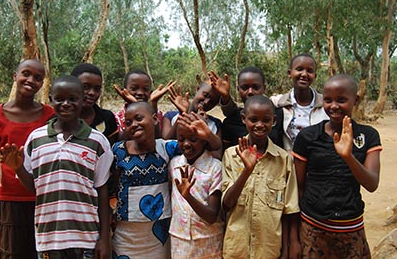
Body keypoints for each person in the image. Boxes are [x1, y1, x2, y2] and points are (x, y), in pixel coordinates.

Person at [0, 75, 113, 259]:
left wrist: (104, 238)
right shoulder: (36, 139)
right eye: (59, 99)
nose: (66, 104)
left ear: (83, 100)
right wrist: (18, 168)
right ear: (50, 99)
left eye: (73, 99)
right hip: (48, 237)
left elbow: (102, 190)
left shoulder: (98, 141)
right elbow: (35, 188)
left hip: (86, 238)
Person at [110, 102, 221, 259]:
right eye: (128, 123)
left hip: (159, 234)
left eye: (139, 118)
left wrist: (207, 134)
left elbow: (212, 146)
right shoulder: (118, 151)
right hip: (126, 235)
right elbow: (111, 186)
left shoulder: (167, 148)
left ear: (155, 119)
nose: (134, 125)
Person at [293, 74, 382, 258]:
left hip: (350, 227)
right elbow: (298, 188)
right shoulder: (308, 137)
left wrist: (348, 156)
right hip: (313, 228)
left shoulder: (368, 136)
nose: (333, 106)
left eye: (341, 100)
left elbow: (372, 184)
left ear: (355, 100)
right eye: (328, 100)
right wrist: (294, 237)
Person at [0, 59, 54, 259]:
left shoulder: (50, 115)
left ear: (42, 83)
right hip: (10, 198)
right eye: (26, 73)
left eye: (38, 78)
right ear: (15, 76)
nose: (31, 80)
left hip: (42, 197)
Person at [222, 95, 300, 258]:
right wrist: (247, 171)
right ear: (244, 119)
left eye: (266, 120)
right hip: (237, 250)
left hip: (269, 250)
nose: (259, 125)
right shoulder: (231, 155)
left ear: (274, 121)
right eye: (253, 119)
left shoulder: (284, 160)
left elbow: (289, 211)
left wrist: (286, 251)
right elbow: (227, 204)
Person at [169, 113, 224, 259]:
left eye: (193, 139)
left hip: (208, 241)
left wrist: (188, 196)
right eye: (181, 139)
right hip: (179, 240)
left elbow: (212, 216)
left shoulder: (215, 168)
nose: (186, 144)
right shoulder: (174, 165)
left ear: (205, 140)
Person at [209, 67, 283, 150]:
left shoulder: (278, 115)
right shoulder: (230, 122)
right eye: (244, 87)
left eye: (256, 87)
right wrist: (225, 96)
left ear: (264, 88)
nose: (250, 91)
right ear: (238, 89)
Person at [270, 53, 328, 152]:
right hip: (288, 162)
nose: (304, 74)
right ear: (289, 73)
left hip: (316, 161)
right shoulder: (278, 102)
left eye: (309, 71)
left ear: (315, 76)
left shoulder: (326, 105)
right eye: (299, 69)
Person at [162, 81, 222, 158]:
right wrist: (183, 114)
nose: (206, 102)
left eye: (212, 101)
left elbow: (217, 155)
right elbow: (164, 146)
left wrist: (203, 125)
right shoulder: (170, 116)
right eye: (205, 95)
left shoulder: (215, 124)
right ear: (197, 89)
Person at [114, 69, 174, 137]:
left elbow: (158, 141)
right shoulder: (116, 118)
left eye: (145, 89)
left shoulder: (158, 115)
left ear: (150, 92)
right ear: (124, 90)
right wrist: (136, 107)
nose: (140, 93)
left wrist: (153, 102)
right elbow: (122, 142)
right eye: (134, 88)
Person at [71, 63, 118, 145]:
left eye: (97, 89)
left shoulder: (106, 118)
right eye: (85, 87)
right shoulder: (60, 119)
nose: (92, 93)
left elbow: (111, 150)